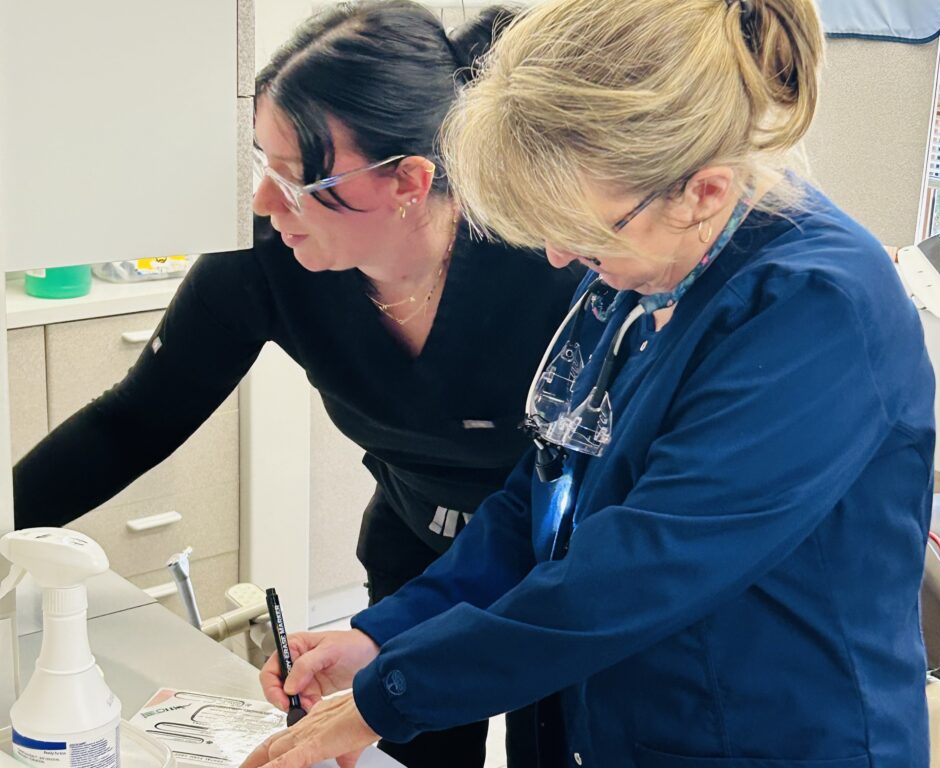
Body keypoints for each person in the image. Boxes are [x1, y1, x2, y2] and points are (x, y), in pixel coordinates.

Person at [241, 0, 938, 767]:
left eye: (580, 228)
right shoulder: (640, 264)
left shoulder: (816, 312)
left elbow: (643, 568)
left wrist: (389, 698)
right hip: (610, 724)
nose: (554, 255)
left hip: (766, 737)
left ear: (702, 191)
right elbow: (541, 492)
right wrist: (385, 634)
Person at [12, 2, 582, 767]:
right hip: (415, 553)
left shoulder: (550, 264)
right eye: (261, 165)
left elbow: (582, 487)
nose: (262, 202)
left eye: (295, 177)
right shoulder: (266, 261)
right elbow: (129, 425)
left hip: (562, 562)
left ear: (409, 181)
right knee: (406, 753)